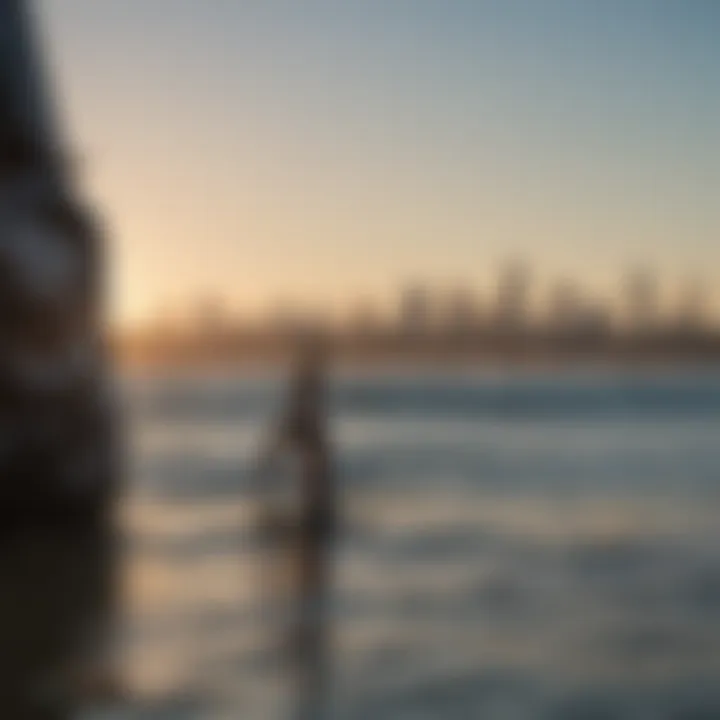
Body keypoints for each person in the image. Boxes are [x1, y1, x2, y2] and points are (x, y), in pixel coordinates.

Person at [256, 333, 335, 719]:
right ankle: (306, 518)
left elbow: (294, 426)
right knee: (315, 486)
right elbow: (298, 420)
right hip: (308, 445)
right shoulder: (308, 391)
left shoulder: (307, 391)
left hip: (308, 444)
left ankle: (301, 518)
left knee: (314, 484)